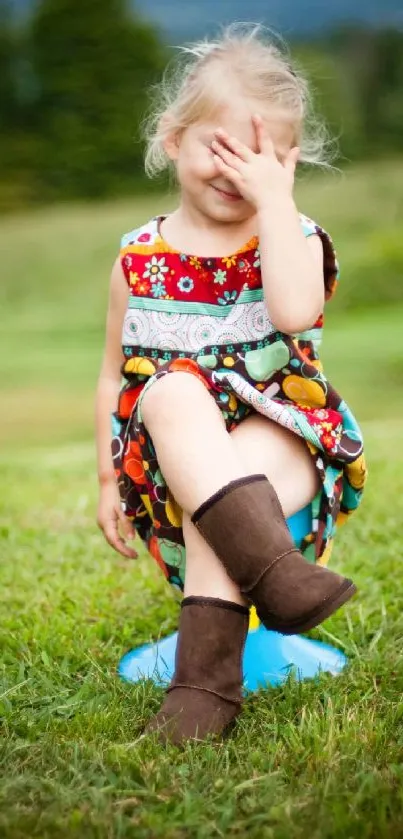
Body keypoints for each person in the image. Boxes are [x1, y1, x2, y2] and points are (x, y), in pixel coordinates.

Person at [95, 24, 367, 745]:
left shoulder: (291, 237)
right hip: (172, 473)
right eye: (222, 146)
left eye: (264, 157)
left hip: (284, 452)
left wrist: (277, 206)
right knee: (170, 390)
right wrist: (101, 476)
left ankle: (203, 684)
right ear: (171, 137)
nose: (237, 171)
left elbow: (294, 311)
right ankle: (267, 585)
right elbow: (109, 371)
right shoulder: (137, 260)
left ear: (289, 163)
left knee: (237, 459)